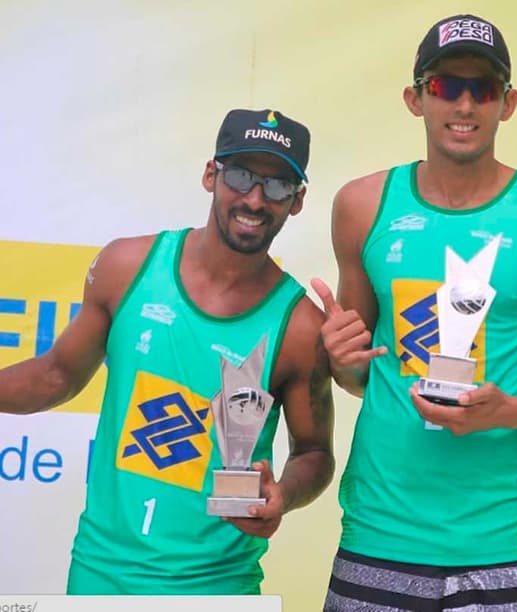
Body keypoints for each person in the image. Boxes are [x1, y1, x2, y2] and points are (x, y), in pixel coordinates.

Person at [312, 13, 517, 612]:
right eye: (444, 86)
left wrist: (509, 411)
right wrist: (341, 359)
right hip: (379, 535)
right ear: (415, 99)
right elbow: (362, 377)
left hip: (502, 544)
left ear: (507, 103)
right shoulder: (361, 206)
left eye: (482, 88)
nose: (464, 103)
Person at [0, 108, 335, 595]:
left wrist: (283, 494)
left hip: (218, 586)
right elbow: (56, 376)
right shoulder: (127, 265)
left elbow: (314, 452)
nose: (256, 199)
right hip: (102, 574)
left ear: (297, 201)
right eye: (241, 176)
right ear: (210, 175)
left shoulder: (302, 326)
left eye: (278, 185)